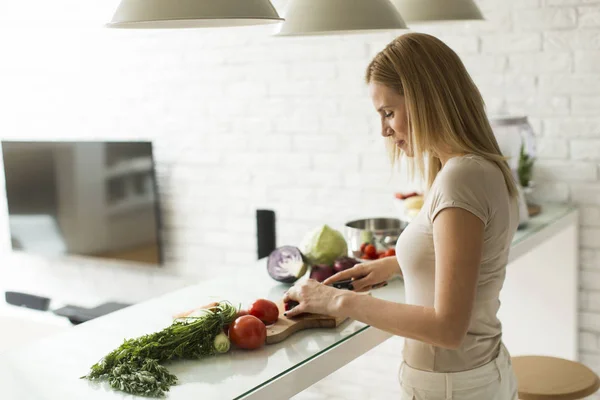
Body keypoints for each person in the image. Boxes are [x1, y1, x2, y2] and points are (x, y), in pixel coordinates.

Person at [283, 32, 520, 400]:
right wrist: (394, 265)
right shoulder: (481, 167)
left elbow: (448, 328)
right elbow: (473, 261)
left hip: (451, 388)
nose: (384, 130)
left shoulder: (460, 178)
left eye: (389, 113)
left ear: (426, 99)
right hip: (478, 374)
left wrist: (337, 301)